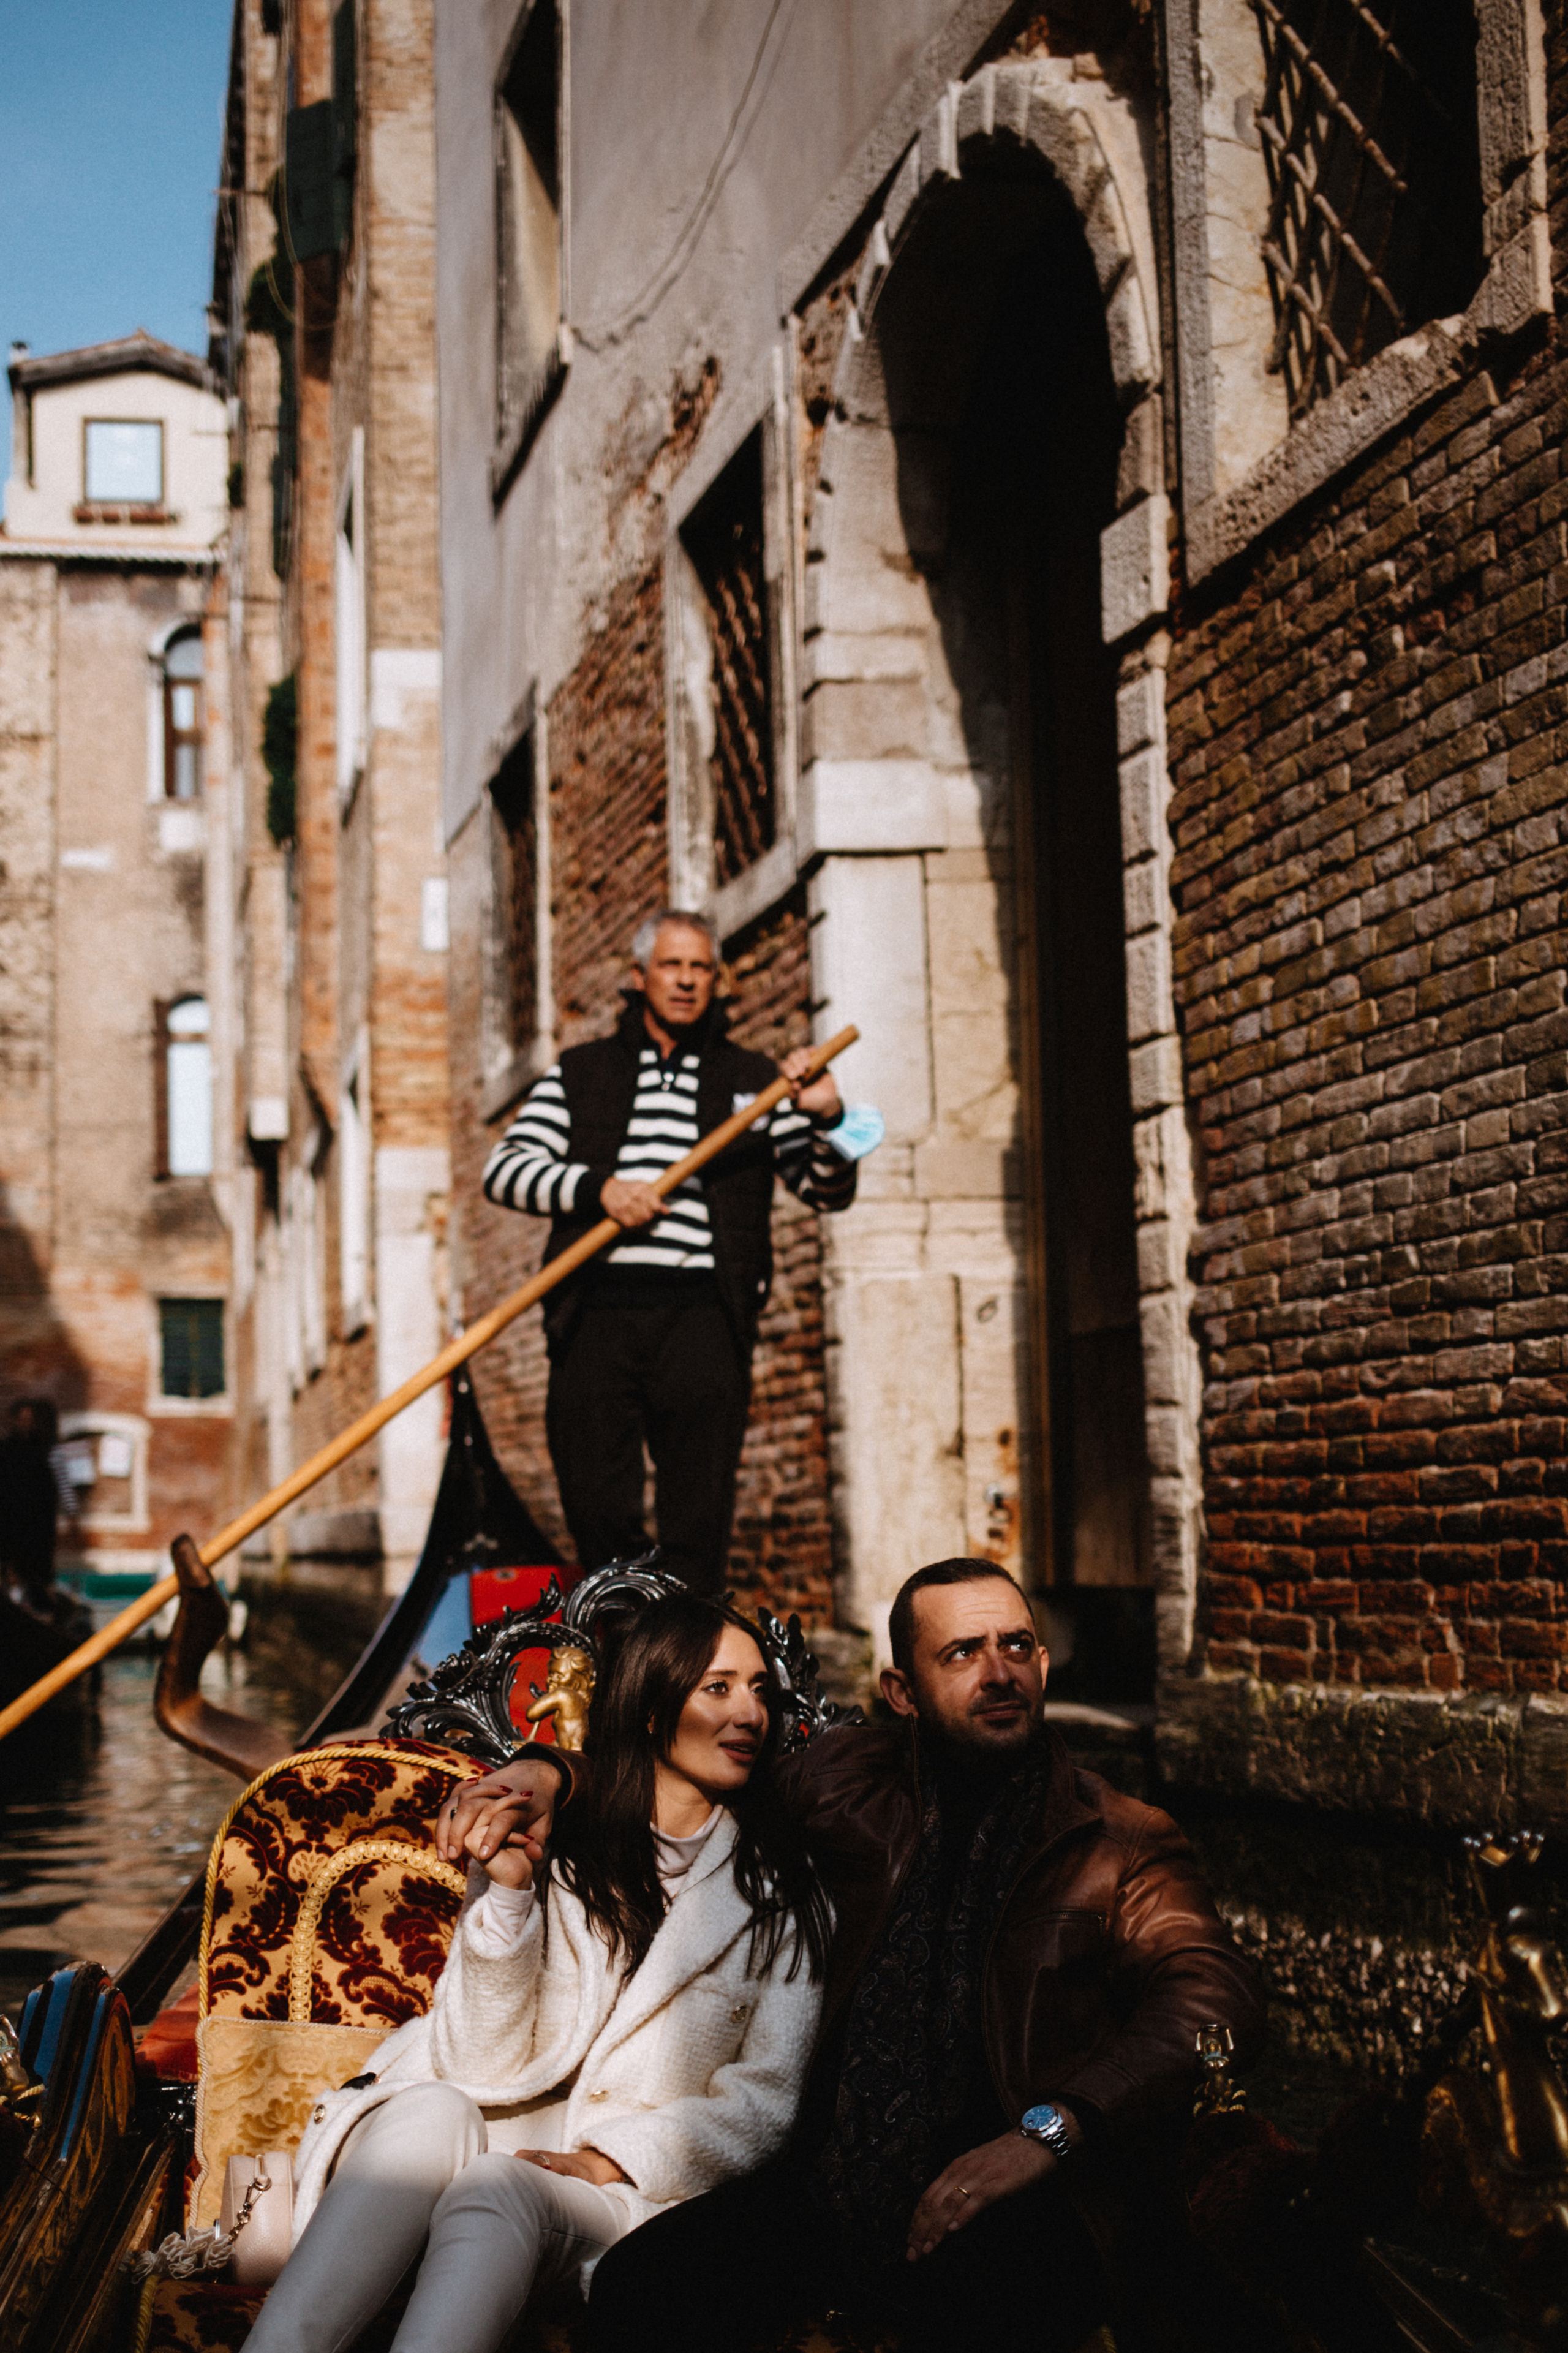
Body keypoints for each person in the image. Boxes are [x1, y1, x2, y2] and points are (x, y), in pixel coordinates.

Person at [442, 1558, 1265, 2353]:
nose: (999, 1672)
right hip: (826, 2181)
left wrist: (1045, 2133)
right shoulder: (838, 1785)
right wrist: (551, 1773)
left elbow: (1210, 1994)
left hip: (1027, 2191)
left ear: (1045, 1664)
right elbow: (677, 1779)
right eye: (962, 1653)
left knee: (984, 2307)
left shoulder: (1121, 1836)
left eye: (1017, 1646)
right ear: (901, 1692)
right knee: (638, 2289)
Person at [244, 1593, 830, 2353]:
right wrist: (512, 1899)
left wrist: (611, 2157)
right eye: (716, 1687)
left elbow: (765, 2101)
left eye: (759, 1689)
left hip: (622, 2193)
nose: (749, 1712)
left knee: (500, 2186)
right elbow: (475, 2063)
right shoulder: (556, 1840)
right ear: (651, 1707)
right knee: (432, 2110)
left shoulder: (784, 1889)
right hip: (459, 2139)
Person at [481, 910, 862, 1591]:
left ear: (717, 982)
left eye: (700, 968)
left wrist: (830, 1115)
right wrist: (598, 1190)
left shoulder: (757, 1080)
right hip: (595, 1311)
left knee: (699, 1514)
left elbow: (826, 1188)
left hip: (704, 1314)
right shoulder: (581, 1071)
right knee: (597, 1505)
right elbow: (504, 1170)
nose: (686, 981)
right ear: (639, 977)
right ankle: (627, 1641)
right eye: (671, 965)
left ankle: (686, 1666)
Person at [0, 1397, 61, 1606]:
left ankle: (40, 1605)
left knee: (39, 1567)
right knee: (11, 1560)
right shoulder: (6, 1449)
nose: (26, 1423)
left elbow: (59, 1483)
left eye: (29, 1419)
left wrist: (70, 1516)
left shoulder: (46, 1449)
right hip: (10, 1518)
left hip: (39, 1520)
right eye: (22, 1418)